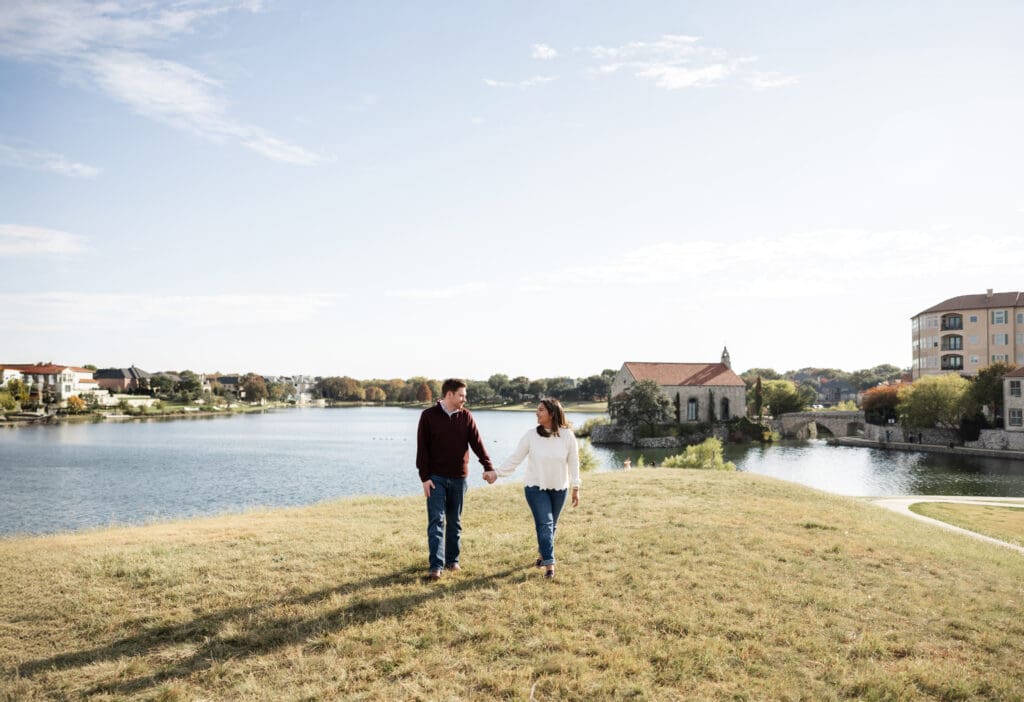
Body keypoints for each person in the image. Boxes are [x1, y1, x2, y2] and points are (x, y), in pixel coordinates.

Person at [492, 398, 580, 579]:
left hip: (559, 488)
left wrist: (576, 487)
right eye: (537, 409)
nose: (536, 413)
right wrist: (497, 473)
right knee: (545, 524)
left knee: (551, 526)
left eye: (541, 410)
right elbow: (515, 458)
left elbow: (574, 463)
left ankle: (542, 554)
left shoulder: (567, 436)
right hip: (535, 487)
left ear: (552, 413)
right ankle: (550, 564)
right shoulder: (531, 435)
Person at [417, 378, 495, 581]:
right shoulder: (428, 416)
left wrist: (488, 466)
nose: (464, 399)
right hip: (435, 478)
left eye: (465, 396)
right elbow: (422, 450)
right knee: (436, 521)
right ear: (449, 394)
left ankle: (452, 561)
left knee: (455, 522)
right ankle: (436, 566)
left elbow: (477, 444)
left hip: (459, 478)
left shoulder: (466, 416)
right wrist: (425, 478)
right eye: (461, 395)